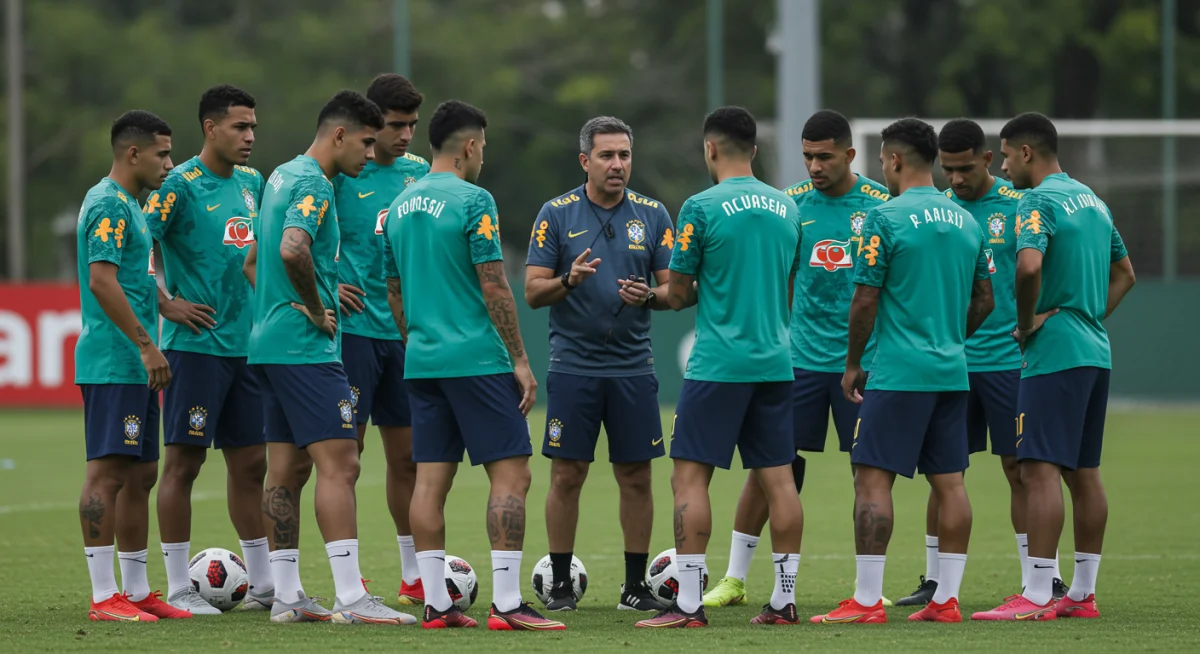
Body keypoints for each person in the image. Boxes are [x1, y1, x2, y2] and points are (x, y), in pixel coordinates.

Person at [383, 99, 564, 631]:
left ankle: (437, 604)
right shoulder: (473, 199)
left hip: (422, 360)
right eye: (482, 146)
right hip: (476, 360)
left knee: (428, 483)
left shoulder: (399, 205)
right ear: (468, 146)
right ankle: (507, 605)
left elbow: (393, 291)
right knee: (512, 475)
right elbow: (493, 282)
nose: (482, 155)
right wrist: (520, 359)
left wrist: (416, 339)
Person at [704, 109, 891, 609]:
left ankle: (866, 590)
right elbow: (781, 280)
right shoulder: (788, 205)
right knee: (772, 467)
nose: (813, 166)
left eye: (824, 156)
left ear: (851, 154)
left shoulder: (879, 204)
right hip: (799, 361)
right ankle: (735, 578)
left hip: (865, 361)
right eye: (807, 156)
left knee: (869, 472)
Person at [812, 118, 994, 625]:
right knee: (951, 484)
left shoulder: (883, 218)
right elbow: (986, 298)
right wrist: (953, 339)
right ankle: (947, 600)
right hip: (951, 372)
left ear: (892, 160)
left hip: (898, 373)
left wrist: (853, 363)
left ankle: (867, 601)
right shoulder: (966, 220)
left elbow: (865, 297)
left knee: (872, 480)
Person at [249, 90, 415, 625]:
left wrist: (287, 301)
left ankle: (287, 596)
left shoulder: (279, 175)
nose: (371, 153)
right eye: (367, 141)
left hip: (267, 342)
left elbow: (253, 260)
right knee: (341, 462)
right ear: (339, 135)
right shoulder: (315, 184)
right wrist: (318, 308)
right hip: (304, 347)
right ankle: (351, 596)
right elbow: (292, 249)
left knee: (286, 468)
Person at [636, 106, 805, 629]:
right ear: (754, 150)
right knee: (779, 480)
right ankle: (784, 600)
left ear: (710, 148)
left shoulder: (700, 207)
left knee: (689, 479)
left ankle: (687, 606)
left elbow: (680, 292)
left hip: (718, 364)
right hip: (777, 360)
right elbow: (787, 287)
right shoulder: (788, 208)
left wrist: (649, 295)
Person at [973, 112, 1136, 621]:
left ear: (1025, 152)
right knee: (1084, 474)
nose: (1001, 164)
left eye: (1004, 154)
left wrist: (1030, 321)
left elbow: (1028, 265)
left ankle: (1038, 591)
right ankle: (1082, 594)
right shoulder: (1093, 200)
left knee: (1038, 469)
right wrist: (1083, 313)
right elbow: (1126, 274)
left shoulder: (1037, 201)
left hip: (1055, 356)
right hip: (1094, 350)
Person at [896, 118, 1066, 607]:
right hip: (950, 362)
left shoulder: (1019, 205)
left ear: (989, 160)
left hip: (1008, 361)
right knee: (942, 472)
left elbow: (1046, 267)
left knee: (1020, 470)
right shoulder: (938, 210)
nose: (955, 179)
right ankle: (934, 581)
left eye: (964, 168)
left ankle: (1043, 577)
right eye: (947, 170)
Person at [524, 116, 672, 613]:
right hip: (573, 367)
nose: (618, 165)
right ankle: (561, 583)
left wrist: (649, 295)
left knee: (637, 476)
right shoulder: (556, 213)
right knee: (567, 473)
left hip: (633, 367)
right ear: (585, 160)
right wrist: (569, 280)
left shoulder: (653, 214)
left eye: (625, 155)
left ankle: (634, 586)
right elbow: (532, 291)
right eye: (607, 155)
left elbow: (676, 290)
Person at [145, 85, 274, 615]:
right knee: (184, 464)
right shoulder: (178, 185)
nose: (248, 137)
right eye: (240, 127)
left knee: (251, 466)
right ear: (210, 128)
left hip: (247, 348)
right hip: (195, 348)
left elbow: (261, 256)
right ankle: (178, 586)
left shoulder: (253, 183)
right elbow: (135, 246)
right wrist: (167, 302)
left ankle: (265, 584)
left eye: (253, 128)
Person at [76, 110, 191, 621]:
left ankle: (138, 589)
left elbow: (135, 276)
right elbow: (103, 281)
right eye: (163, 154)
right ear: (133, 154)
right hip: (115, 361)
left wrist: (166, 305)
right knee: (107, 473)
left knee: (143, 472)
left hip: (137, 363)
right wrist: (147, 344)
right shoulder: (108, 204)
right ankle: (105, 596)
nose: (170, 163)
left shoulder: (133, 206)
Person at [332, 73, 430, 605]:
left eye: (413, 124)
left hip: (404, 335)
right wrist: (327, 282)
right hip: (354, 335)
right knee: (346, 455)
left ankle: (414, 573)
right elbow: (300, 238)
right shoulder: (344, 174)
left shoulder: (419, 176)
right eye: (396, 125)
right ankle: (350, 574)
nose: (406, 135)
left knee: (409, 457)